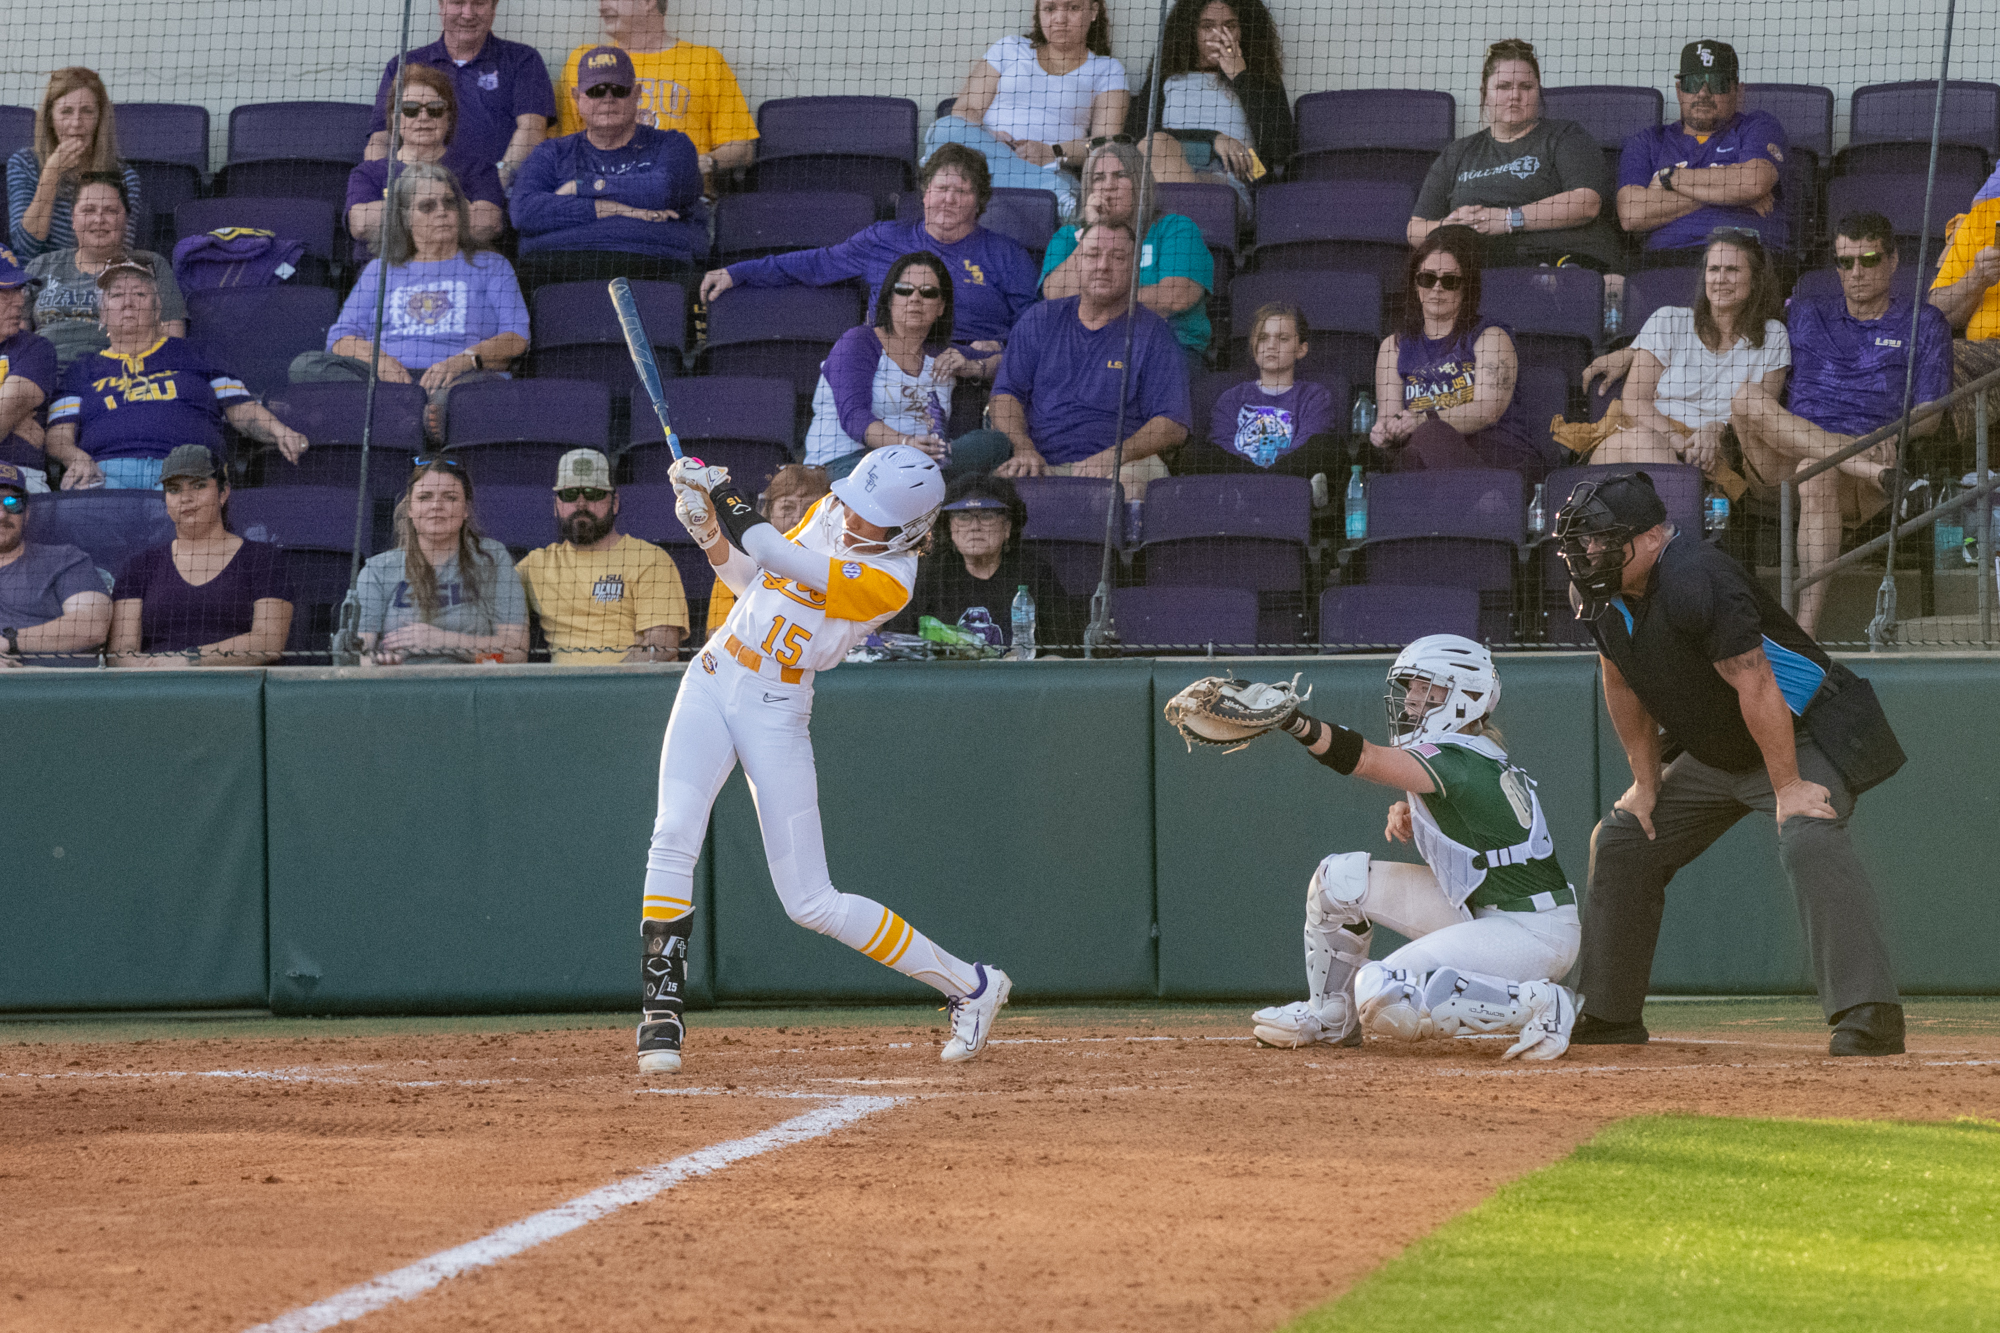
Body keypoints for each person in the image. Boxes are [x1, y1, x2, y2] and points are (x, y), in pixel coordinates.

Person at [641, 445, 1011, 1073]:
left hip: (776, 705)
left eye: (869, 512)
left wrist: (722, 494)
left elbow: (779, 555)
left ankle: (971, 985)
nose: (848, 512)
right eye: (853, 499)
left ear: (911, 529)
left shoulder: (891, 580)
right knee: (673, 831)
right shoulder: (832, 510)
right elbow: (755, 583)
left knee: (810, 901)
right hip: (714, 671)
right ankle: (661, 1011)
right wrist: (707, 532)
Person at [1553, 471, 1906, 1057]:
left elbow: (1756, 681)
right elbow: (1620, 678)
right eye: (1581, 541)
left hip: (1802, 731)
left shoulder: (1699, 576)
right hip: (1716, 750)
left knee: (1809, 836)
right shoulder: (1598, 594)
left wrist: (1789, 785)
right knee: (1623, 841)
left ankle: (1871, 1013)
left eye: (1598, 540)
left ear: (1647, 539)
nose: (1586, 554)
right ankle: (1609, 1014)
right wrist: (1645, 783)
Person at [1238, 637, 1581, 1059]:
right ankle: (1329, 1017)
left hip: (1530, 933)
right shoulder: (1470, 752)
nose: (1411, 700)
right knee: (1338, 881)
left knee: (1381, 991)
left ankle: (1542, 1003)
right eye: (1412, 688)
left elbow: (1364, 759)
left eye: (1425, 687)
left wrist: (1296, 723)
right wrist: (1412, 808)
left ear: (1465, 693)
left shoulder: (1459, 758)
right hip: (1484, 909)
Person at [1731, 211, 1951, 635]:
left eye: (1868, 260)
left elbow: (1930, 415)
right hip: (1811, 462)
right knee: (1744, 397)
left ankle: (1804, 633)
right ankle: (1864, 465)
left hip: (1865, 458)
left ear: (1892, 260)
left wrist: (1877, 437)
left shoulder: (1924, 322)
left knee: (1814, 472)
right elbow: (1722, 320)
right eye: (1845, 262)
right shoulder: (1805, 312)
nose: (1856, 272)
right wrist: (1633, 351)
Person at [699, 144, 1038, 389]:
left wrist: (1001, 346)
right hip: (891, 367)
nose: (949, 199)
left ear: (979, 201)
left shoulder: (1006, 254)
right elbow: (818, 263)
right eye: (941, 188)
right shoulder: (883, 238)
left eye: (961, 191)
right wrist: (738, 272)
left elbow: (1034, 324)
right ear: (925, 194)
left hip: (968, 369)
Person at [297, 163, 527, 440]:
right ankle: (408, 419)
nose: (442, 212)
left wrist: (461, 361)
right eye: (428, 206)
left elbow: (517, 336)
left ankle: (394, 420)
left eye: (450, 203)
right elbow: (339, 338)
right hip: (387, 380)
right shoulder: (379, 270)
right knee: (306, 366)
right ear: (405, 217)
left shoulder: (491, 265)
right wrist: (379, 361)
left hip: (456, 378)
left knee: (467, 397)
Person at [44, 261, 308, 491]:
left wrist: (279, 431)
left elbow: (243, 411)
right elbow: (58, 436)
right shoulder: (82, 369)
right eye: (116, 295)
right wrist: (75, 458)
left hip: (187, 471)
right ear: (102, 314)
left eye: (140, 293)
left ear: (157, 310)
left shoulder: (196, 353)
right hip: (105, 473)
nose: (128, 302)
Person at [991, 222, 1192, 497]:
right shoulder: (1039, 319)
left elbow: (1172, 424)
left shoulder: (1154, 332)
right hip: (1039, 464)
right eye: (1092, 255)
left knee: (1133, 483)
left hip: (1119, 468)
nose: (1103, 265)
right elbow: (1005, 395)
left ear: (1135, 270)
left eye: (1118, 257)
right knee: (990, 495)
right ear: (1077, 263)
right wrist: (1022, 447)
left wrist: (1117, 455)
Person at [1587, 228, 1789, 485]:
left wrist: (1715, 431)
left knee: (1634, 451)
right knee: (1633, 443)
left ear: (1756, 279)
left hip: (1720, 452)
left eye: (1732, 270)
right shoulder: (1669, 319)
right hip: (1653, 433)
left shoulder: (1773, 335)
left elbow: (1761, 419)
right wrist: (1678, 442)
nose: (1720, 279)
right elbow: (1635, 400)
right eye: (1713, 269)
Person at [1409, 39, 1619, 273]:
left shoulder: (1565, 135)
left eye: (1526, 87)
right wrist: (1448, 227)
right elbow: (1414, 229)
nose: (1515, 96)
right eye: (1503, 86)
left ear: (1538, 92)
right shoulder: (1458, 152)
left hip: (1566, 262)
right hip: (1482, 270)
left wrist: (1508, 219)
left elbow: (1586, 203)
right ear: (1485, 94)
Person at [511, 45, 708, 293]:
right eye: (595, 90)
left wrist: (583, 187)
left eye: (619, 89)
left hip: (657, 271)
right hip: (561, 273)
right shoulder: (551, 152)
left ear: (637, 93)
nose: (608, 98)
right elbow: (524, 212)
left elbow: (667, 189)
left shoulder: (672, 143)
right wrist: (620, 208)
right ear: (576, 96)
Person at [803, 254, 1014, 481]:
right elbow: (854, 418)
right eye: (904, 290)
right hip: (849, 463)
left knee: (996, 443)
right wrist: (907, 444)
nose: (915, 298)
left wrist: (974, 367)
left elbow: (1011, 361)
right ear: (889, 299)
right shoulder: (858, 341)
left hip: (923, 464)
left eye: (928, 292)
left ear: (941, 306)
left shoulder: (942, 352)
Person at [926, 0, 1131, 217]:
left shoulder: (1108, 70)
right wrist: (990, 137)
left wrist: (1053, 152)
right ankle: (1058, 196)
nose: (1060, 18)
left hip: (1048, 167)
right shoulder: (1010, 48)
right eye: (1050, 9)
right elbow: (965, 109)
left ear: (1093, 11)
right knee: (945, 128)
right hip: (983, 155)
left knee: (948, 156)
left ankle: (1045, 190)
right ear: (1039, 12)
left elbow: (1104, 145)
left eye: (1073, 8)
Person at [1369, 226, 1542, 477]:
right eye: (1427, 279)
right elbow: (1390, 416)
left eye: (1450, 281)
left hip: (1499, 457)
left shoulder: (1491, 336)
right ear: (1415, 284)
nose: (1437, 288)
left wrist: (1424, 421)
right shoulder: (1392, 346)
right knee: (1406, 455)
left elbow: (1488, 411)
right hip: (1425, 460)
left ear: (1466, 288)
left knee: (1427, 437)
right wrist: (1385, 431)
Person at [106, 445, 293, 668]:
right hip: (156, 689)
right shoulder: (140, 565)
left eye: (198, 486)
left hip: (238, 690)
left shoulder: (263, 559)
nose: (185, 498)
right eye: (174, 489)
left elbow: (268, 641)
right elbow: (120, 653)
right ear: (165, 502)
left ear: (223, 493)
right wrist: (154, 670)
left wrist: (189, 660)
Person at [1616, 41, 1788, 266]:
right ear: (1679, 90)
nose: (1703, 93)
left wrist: (1670, 178)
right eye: (1693, 82)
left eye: (1717, 83)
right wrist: (1731, 195)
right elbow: (1632, 215)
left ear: (1738, 90)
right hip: (1667, 261)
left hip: (1747, 256)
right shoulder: (1648, 141)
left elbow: (1753, 182)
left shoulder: (1758, 126)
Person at [1040, 139, 1212, 359]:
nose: (1109, 185)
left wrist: (1100, 304)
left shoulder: (1175, 229)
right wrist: (1092, 231)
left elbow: (1176, 296)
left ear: (1140, 183)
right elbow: (1055, 295)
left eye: (1120, 176)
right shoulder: (1069, 237)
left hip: (1167, 348)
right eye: (1099, 178)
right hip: (1088, 348)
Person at [552, 0, 758, 184]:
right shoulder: (586, 61)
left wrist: (700, 164)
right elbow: (566, 145)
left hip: (679, 203)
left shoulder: (705, 61)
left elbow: (742, 149)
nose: (601, 5)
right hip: (600, 200)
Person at [516, 447, 690, 663]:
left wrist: (606, 686)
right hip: (559, 692)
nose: (581, 504)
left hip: (629, 689)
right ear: (556, 505)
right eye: (569, 494)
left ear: (614, 503)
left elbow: (663, 645)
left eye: (593, 494)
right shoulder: (536, 565)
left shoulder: (650, 559)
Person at [363, 0, 555, 192]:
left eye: (479, 3)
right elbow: (381, 139)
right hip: (418, 200)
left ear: (494, 8)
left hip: (496, 198)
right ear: (441, 5)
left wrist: (490, 188)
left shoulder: (523, 60)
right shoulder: (404, 64)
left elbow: (532, 130)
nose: (468, 14)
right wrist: (388, 192)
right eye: (457, 2)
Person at [355, 456, 529, 665]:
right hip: (400, 688)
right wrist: (379, 664)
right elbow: (361, 656)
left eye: (450, 497)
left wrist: (443, 641)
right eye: (425, 497)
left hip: (474, 687)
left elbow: (516, 654)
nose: (436, 505)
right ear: (410, 509)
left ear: (466, 509)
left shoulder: (492, 558)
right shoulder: (378, 569)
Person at [887, 472, 1079, 647]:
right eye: (963, 516)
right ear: (949, 528)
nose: (974, 526)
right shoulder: (926, 575)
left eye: (987, 516)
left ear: (1007, 528)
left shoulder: (1035, 572)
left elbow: (1062, 648)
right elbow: (897, 644)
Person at [1133, 0, 1294, 207]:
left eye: (1230, 26)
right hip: (1166, 175)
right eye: (1207, 26)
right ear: (1191, 30)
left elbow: (1281, 149)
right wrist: (1212, 141)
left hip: (1232, 183)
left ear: (1244, 30)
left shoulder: (1261, 81)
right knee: (1155, 144)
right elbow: (1139, 139)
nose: (1218, 35)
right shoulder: (1167, 78)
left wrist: (1241, 77)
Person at [27, 172, 187, 371]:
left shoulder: (150, 264)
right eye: (88, 210)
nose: (99, 219)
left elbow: (173, 337)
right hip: (41, 376)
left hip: (116, 375)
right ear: (73, 219)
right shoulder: (40, 266)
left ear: (126, 219)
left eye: (110, 210)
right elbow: (14, 338)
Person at [348, 66, 507, 251]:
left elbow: (486, 225)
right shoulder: (368, 173)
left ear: (449, 116)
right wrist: (451, 211)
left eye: (435, 109)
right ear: (394, 117)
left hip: (458, 271)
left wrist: (398, 212)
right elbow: (361, 224)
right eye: (410, 109)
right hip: (388, 273)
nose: (423, 117)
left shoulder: (479, 170)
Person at [1190, 301, 1339, 476]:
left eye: (1282, 338)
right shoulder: (1231, 398)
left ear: (1301, 349)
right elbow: (1222, 446)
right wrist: (1257, 474)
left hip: (1291, 479)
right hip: (1239, 483)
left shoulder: (1315, 396)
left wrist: (1274, 471)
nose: (1271, 346)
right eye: (1263, 338)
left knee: (1327, 446)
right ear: (1254, 348)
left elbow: (1309, 444)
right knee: (1193, 453)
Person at [7, 68, 142, 260]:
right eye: (66, 111)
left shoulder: (124, 177)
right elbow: (24, 248)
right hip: (34, 279)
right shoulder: (24, 163)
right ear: (50, 118)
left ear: (99, 118)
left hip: (93, 280)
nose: (76, 122)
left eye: (87, 111)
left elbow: (117, 254)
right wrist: (51, 174)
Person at [0, 461, 111, 666]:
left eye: (12, 503)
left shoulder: (64, 559)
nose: (2, 514)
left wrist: (8, 642)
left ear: (27, 513)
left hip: (56, 688)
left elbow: (92, 627)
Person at [701, 462, 830, 636]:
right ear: (768, 511)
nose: (798, 518)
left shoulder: (843, 561)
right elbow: (717, 634)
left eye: (809, 509)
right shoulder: (737, 562)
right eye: (787, 508)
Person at [1925, 162, 2000, 441]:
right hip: (1986, 353)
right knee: (1926, 354)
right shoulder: (1981, 219)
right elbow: (1936, 312)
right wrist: (1977, 278)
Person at [0, 247, 59, 487]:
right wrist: (15, 421)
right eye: (5, 294)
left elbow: (4, 413)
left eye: (19, 290)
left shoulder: (36, 349)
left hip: (19, 476)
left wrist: (10, 417)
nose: (20, 301)